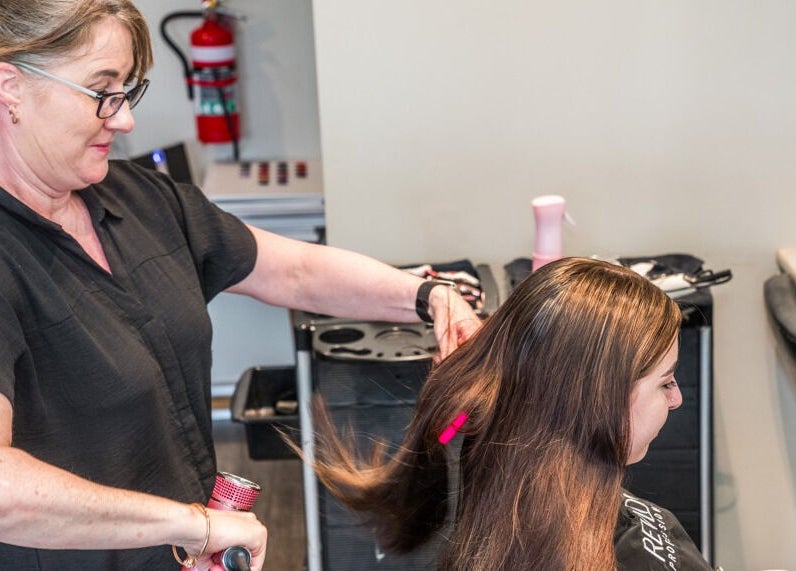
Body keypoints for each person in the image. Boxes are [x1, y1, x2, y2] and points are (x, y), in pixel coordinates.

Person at [0, 1, 482, 569]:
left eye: (128, 91)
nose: (124, 118)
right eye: (101, 90)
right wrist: (191, 524)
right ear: (10, 87)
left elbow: (293, 269)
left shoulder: (140, 199)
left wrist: (427, 298)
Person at [309, 257, 717, 570]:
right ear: (600, 400)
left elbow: (452, 424)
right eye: (666, 382)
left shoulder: (466, 447)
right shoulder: (620, 551)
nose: (677, 398)